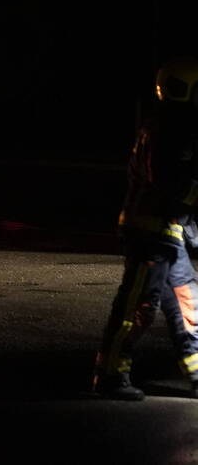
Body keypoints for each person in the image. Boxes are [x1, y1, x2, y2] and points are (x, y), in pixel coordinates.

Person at [94, 58, 198, 400]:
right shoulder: (168, 129)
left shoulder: (174, 125)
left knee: (187, 302)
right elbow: (169, 182)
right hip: (150, 230)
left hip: (169, 231)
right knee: (137, 305)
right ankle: (110, 374)